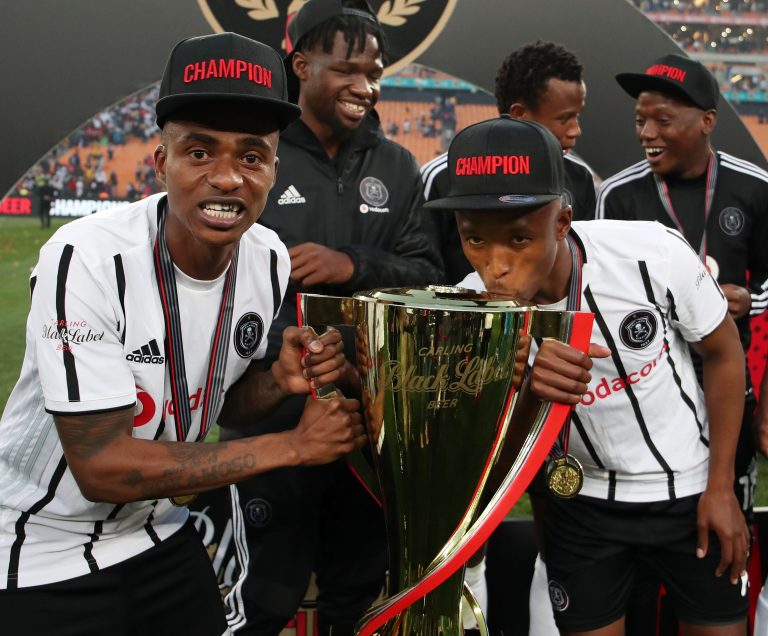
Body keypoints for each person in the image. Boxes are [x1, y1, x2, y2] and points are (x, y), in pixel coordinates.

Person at [0, 32, 366, 636]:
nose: (227, 178)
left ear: (274, 171)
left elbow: (217, 404)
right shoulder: (87, 257)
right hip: (40, 544)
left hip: (153, 532)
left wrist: (276, 381)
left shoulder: (268, 259)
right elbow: (101, 465)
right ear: (160, 163)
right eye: (199, 152)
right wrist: (293, 446)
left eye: (252, 157)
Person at [424, 115, 750, 635]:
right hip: (580, 504)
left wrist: (721, 487)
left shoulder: (651, 253)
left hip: (689, 491)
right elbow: (485, 476)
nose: (495, 265)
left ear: (562, 222)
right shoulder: (469, 310)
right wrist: (527, 392)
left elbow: (724, 352)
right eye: (475, 239)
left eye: (518, 238)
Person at [219, 2, 444, 635]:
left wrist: (353, 263)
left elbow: (428, 271)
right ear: (301, 65)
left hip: (367, 418)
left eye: (374, 73)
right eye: (347, 70)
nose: (365, 86)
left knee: (360, 595)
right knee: (260, 597)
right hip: (269, 409)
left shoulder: (397, 164)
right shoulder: (258, 154)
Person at [596, 53, 768, 535]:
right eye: (640, 120)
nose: (646, 133)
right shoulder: (618, 195)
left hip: (728, 385)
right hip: (652, 393)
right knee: (661, 531)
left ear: (707, 121)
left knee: (728, 525)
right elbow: (605, 296)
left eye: (663, 120)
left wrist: (749, 299)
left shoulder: (754, 187)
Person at [421, 40, 597, 284]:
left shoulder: (580, 176)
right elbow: (425, 270)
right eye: (564, 118)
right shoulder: (442, 176)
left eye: (577, 116)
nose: (576, 130)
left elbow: (583, 261)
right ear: (519, 115)